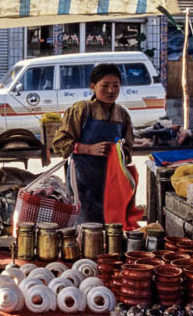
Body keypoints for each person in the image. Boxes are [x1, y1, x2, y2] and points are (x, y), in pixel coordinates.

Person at [51, 63, 135, 224]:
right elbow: (59, 143)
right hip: (82, 183)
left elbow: (128, 149)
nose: (111, 91)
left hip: (111, 186)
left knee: (111, 231)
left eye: (116, 86)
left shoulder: (122, 115)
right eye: (105, 85)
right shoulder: (81, 109)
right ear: (93, 87)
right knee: (86, 230)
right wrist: (87, 148)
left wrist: (119, 152)